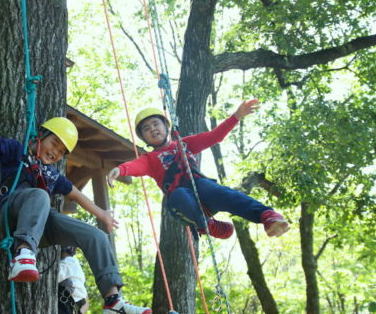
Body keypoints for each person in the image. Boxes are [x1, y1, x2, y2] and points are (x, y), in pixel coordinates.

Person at [0, 114, 151, 314]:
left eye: (61, 152)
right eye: (54, 144)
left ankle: (113, 302)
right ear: (40, 136)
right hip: (11, 210)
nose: (55, 152)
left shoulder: (53, 174)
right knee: (40, 195)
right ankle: (23, 254)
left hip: (40, 223)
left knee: (96, 235)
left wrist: (102, 214)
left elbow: (77, 195)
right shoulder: (15, 151)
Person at [108, 100, 289, 239]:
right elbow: (136, 166)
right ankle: (208, 225)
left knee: (221, 192)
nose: (153, 129)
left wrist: (236, 116)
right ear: (144, 138)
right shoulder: (150, 159)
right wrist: (120, 170)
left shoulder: (185, 144)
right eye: (146, 129)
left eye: (156, 124)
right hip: (185, 203)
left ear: (166, 126)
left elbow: (214, 137)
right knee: (178, 194)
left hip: (203, 191)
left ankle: (266, 215)